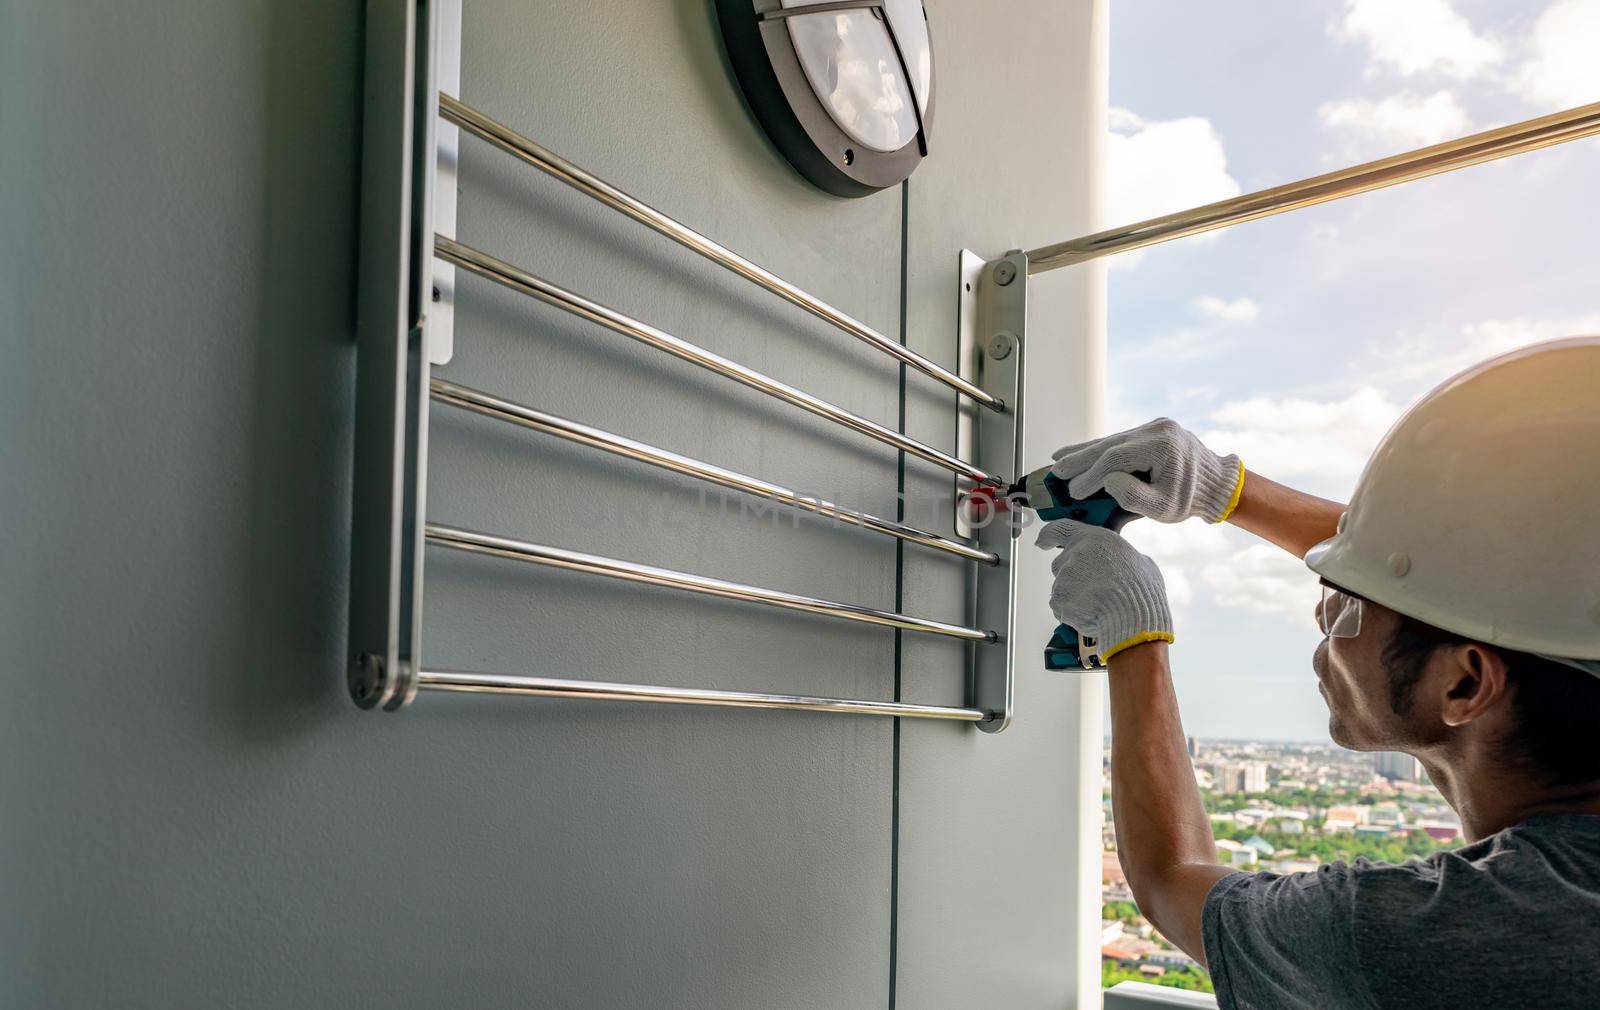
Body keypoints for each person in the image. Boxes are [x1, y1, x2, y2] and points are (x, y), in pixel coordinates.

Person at [1038, 337, 1600, 1010]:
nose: (1324, 609)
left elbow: (1171, 880)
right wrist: (1227, 490)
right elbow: (1484, 587)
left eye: (1349, 605)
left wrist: (1135, 636)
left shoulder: (1429, 937)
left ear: (1465, 685)